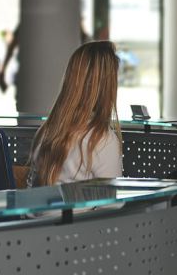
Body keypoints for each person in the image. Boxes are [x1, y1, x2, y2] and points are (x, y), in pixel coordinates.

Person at [28, 41, 123, 186]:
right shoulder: (102, 141)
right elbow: (112, 205)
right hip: (85, 209)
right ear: (107, 86)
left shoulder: (46, 131)